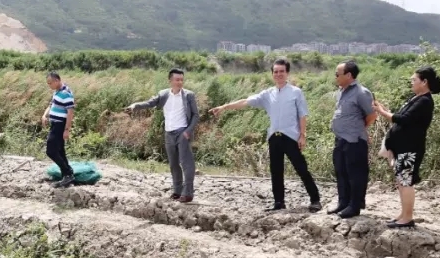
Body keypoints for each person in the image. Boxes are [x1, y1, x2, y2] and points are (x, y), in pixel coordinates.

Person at [210, 58, 321, 212]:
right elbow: (246, 101)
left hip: (291, 136)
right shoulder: (268, 94)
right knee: (276, 171)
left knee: (301, 168)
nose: (278, 74)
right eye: (275, 71)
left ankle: (315, 199)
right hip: (274, 137)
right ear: (272, 74)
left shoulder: (296, 92)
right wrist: (224, 107)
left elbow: (302, 115)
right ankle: (279, 202)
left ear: (287, 73)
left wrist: (303, 135)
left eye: (282, 71)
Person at [372, 65, 440, 229]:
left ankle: (407, 218)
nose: (411, 82)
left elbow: (402, 119)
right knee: (401, 181)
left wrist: (382, 112)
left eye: (414, 80)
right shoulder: (417, 98)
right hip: (404, 148)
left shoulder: (424, 101)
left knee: (405, 182)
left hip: (410, 148)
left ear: (424, 82)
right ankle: (403, 215)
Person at [125, 68, 199, 202]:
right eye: (177, 79)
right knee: (173, 164)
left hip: (182, 132)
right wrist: (135, 106)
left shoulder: (189, 95)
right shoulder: (164, 94)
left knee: (186, 163)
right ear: (170, 80)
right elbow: (150, 102)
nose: (180, 82)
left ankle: (188, 193)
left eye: (182, 79)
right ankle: (177, 191)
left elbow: (196, 115)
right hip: (168, 133)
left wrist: (188, 131)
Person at [328, 60, 376, 218]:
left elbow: (371, 115)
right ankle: (343, 202)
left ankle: (354, 206)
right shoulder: (342, 91)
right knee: (341, 171)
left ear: (349, 75)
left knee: (356, 174)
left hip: (354, 140)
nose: (335, 77)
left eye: (337, 74)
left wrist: (358, 129)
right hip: (340, 139)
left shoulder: (362, 92)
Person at [41, 72, 75, 188]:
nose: (49, 85)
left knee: (50, 151)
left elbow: (70, 113)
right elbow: (51, 104)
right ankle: (67, 175)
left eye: (50, 83)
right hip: (54, 124)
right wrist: (45, 115)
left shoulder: (66, 93)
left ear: (56, 80)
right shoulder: (57, 91)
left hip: (60, 126)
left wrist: (67, 129)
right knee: (60, 151)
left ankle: (68, 173)